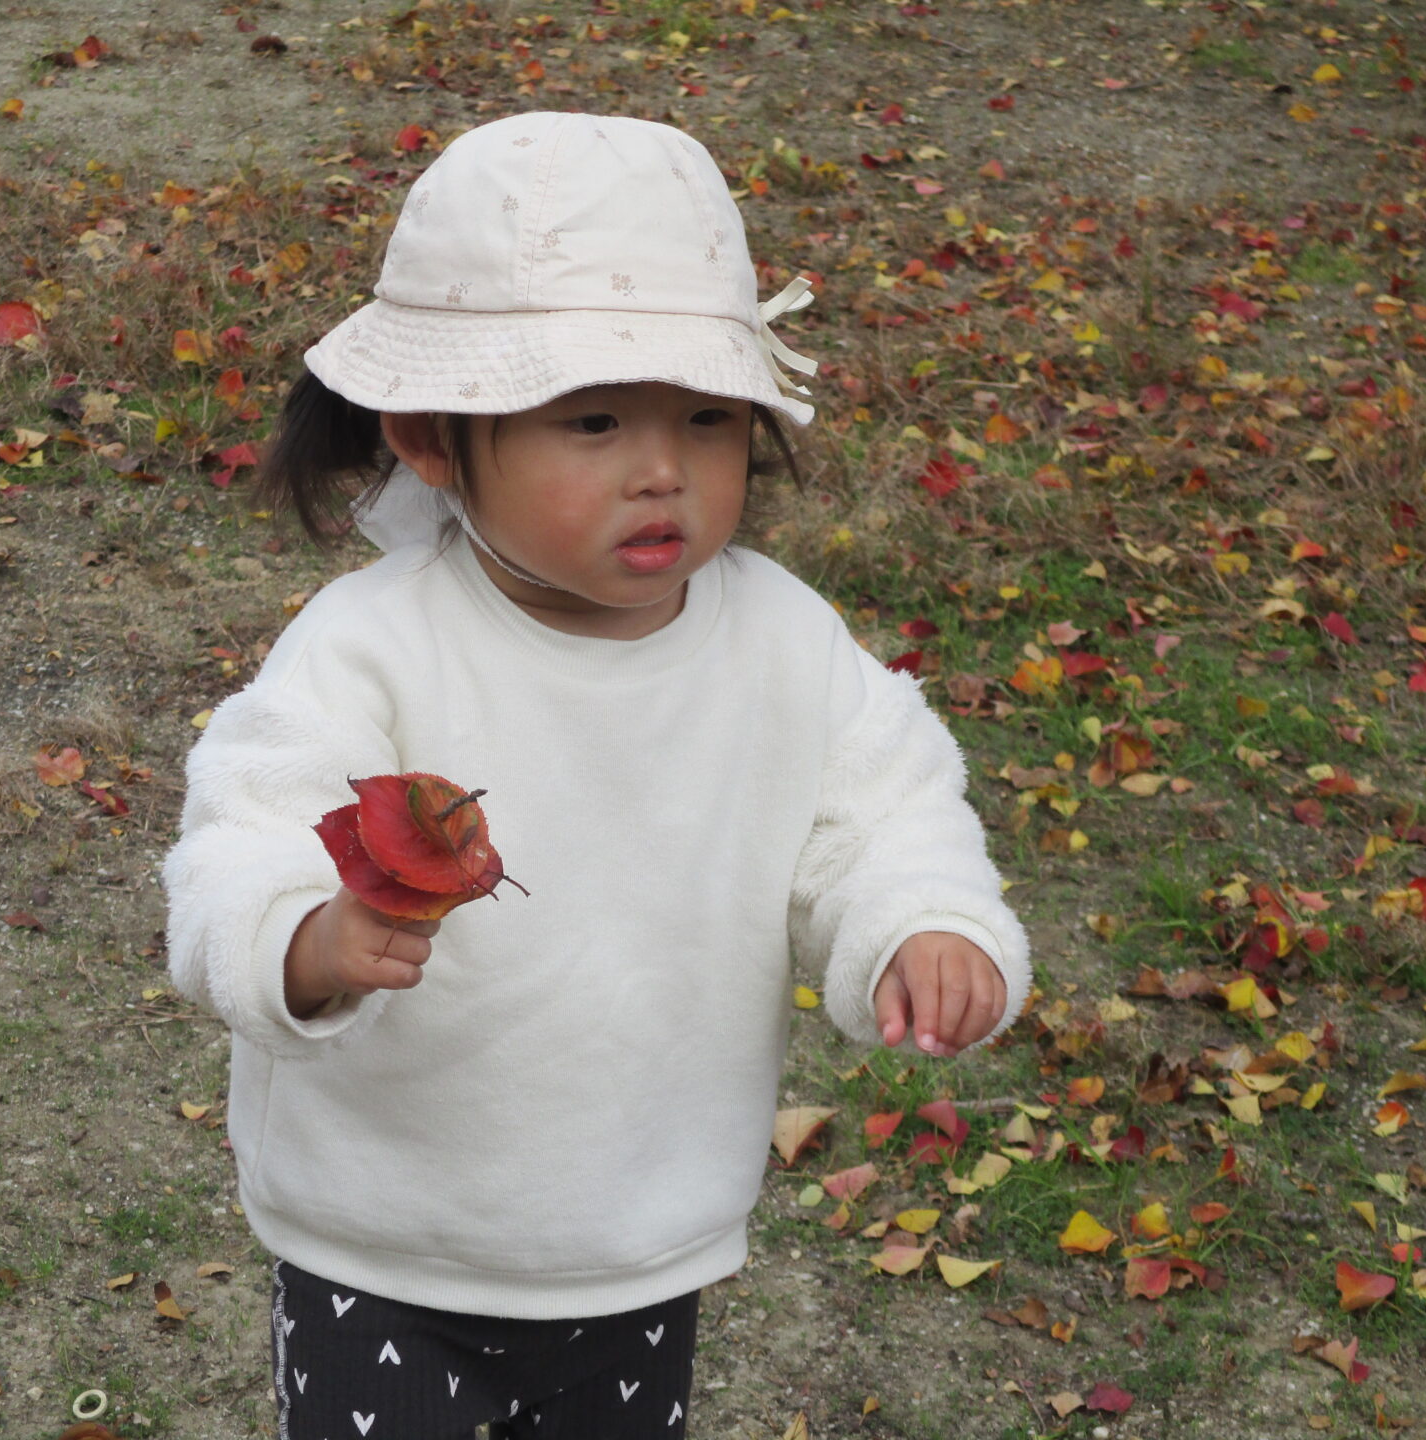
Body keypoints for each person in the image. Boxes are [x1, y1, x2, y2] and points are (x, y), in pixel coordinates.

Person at [161, 110, 1031, 1440]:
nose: (662, 471)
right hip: (383, 1242)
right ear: (434, 436)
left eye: (709, 417)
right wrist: (303, 940)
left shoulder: (785, 643)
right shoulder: (372, 647)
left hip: (641, 1236)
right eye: (596, 420)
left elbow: (884, 813)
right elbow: (245, 835)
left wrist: (925, 922)